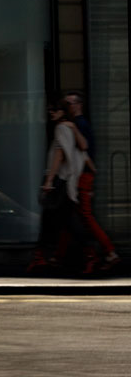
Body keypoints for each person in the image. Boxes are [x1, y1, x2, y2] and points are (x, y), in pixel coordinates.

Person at [30, 99, 93, 275]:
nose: (51, 112)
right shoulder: (70, 128)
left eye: (55, 109)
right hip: (66, 182)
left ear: (63, 112)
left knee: (55, 221)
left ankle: (43, 257)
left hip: (59, 182)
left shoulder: (61, 128)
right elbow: (84, 146)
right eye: (50, 109)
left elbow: (60, 154)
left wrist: (49, 181)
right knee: (67, 221)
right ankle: (54, 257)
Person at [62, 91, 120, 271]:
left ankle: (108, 252)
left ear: (78, 105)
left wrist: (88, 174)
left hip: (81, 176)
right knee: (73, 218)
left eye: (70, 104)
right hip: (83, 176)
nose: (67, 108)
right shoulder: (78, 124)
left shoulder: (79, 124)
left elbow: (84, 150)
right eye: (66, 104)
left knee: (83, 217)